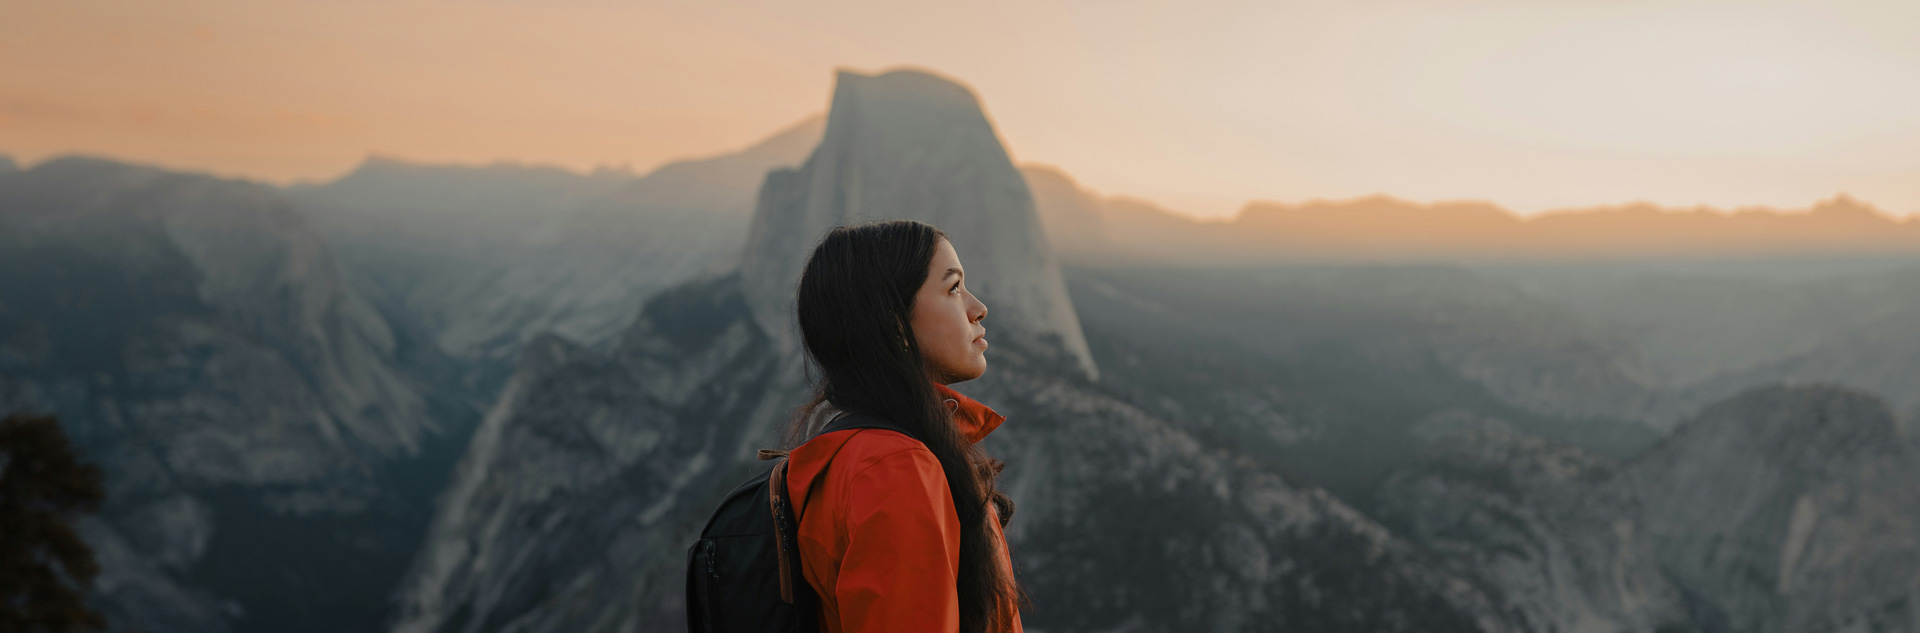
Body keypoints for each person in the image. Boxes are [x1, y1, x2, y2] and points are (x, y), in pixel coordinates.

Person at [782, 220, 1026, 633]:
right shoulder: (895, 469)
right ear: (894, 322)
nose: (977, 307)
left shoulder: (851, 452)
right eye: (953, 288)